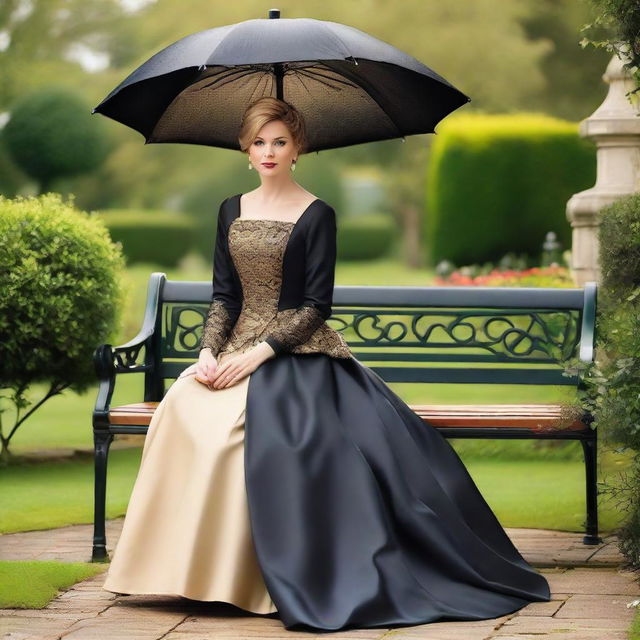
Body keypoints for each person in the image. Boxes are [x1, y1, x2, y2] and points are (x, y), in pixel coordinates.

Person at [102, 97, 551, 632]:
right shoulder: (230, 209)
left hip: (295, 351)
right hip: (231, 347)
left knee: (239, 434)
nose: (268, 151)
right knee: (180, 407)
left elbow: (315, 307)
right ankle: (184, 572)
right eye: (258, 142)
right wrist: (206, 353)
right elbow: (224, 296)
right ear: (246, 151)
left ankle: (245, 579)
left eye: (280, 141)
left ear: (299, 149)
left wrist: (257, 356)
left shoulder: (318, 214)